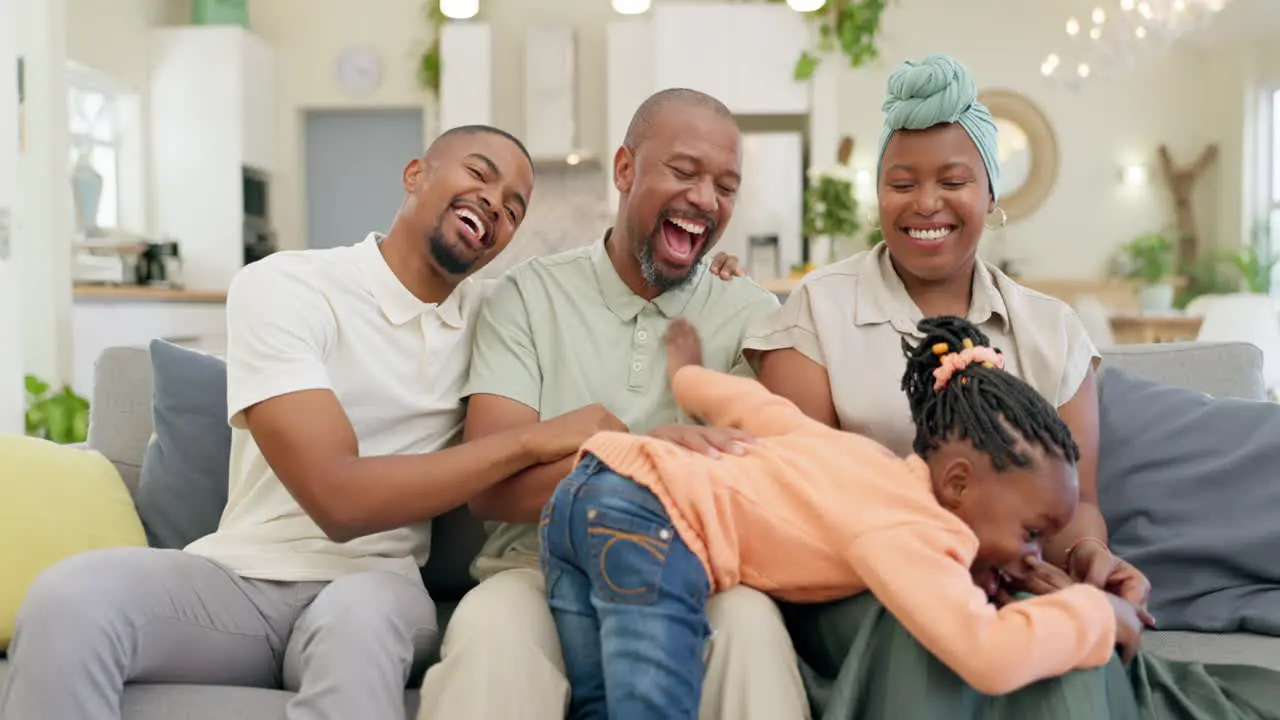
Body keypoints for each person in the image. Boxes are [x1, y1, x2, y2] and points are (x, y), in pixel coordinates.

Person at [0, 125, 627, 720]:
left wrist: (722, 283)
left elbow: (605, 286)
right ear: (415, 174)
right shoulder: (288, 285)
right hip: (237, 579)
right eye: (480, 175)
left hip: (375, 583)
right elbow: (337, 497)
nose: (495, 204)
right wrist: (532, 439)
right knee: (70, 598)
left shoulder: (498, 318)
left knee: (355, 633)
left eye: (515, 208)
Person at [416, 89, 807, 720]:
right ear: (625, 170)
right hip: (533, 570)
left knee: (753, 627)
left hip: (698, 575)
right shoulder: (528, 298)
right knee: (490, 631)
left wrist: (601, 466)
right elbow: (493, 489)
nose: (706, 199)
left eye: (726, 186)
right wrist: (651, 458)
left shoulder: (753, 316)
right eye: (683, 172)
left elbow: (759, 484)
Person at [540, 314, 1144, 719]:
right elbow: (985, 654)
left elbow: (755, 407)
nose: (1037, 553)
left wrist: (686, 375)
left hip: (582, 493)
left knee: (600, 705)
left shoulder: (863, 458)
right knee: (652, 706)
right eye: (1032, 532)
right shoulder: (913, 529)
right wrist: (1095, 613)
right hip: (651, 523)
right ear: (957, 482)